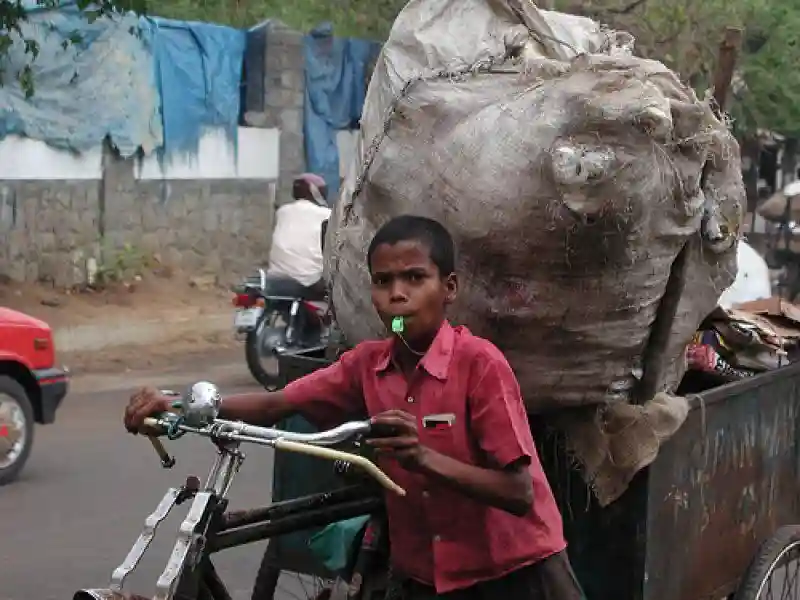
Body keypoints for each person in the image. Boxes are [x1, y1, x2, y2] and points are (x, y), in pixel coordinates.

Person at [124, 215, 583, 600]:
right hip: (426, 577)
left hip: (515, 573)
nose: (397, 295)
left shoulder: (479, 365)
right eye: (384, 282)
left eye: (415, 278)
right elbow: (277, 404)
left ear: (450, 288)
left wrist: (423, 457)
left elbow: (518, 492)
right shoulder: (367, 365)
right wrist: (179, 409)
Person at [266, 173, 331, 297]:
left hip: (275, 279)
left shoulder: (282, 212)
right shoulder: (327, 215)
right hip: (309, 281)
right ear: (317, 192)